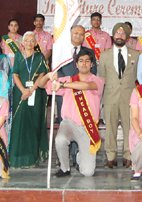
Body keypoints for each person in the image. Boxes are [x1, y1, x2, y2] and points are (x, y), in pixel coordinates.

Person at [39, 49, 105, 177]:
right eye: (81, 61)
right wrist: (48, 76)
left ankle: (81, 157)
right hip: (69, 124)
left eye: (87, 61)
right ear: (76, 64)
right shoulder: (68, 79)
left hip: (88, 127)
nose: (84, 63)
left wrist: (62, 85)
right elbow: (41, 85)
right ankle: (64, 168)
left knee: (88, 173)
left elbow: (86, 86)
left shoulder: (98, 80)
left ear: (92, 64)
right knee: (60, 140)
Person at [98, 23, 140, 168]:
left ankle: (129, 155)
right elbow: (101, 77)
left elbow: (137, 76)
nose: (120, 36)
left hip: (129, 96)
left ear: (127, 37)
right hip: (110, 96)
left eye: (123, 34)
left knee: (130, 127)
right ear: (113, 35)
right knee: (110, 127)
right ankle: (111, 156)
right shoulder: (104, 55)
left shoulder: (135, 55)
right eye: (117, 33)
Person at [9, 32, 49, 168]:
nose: (30, 43)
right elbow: (15, 74)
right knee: (19, 123)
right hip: (20, 93)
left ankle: (32, 159)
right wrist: (23, 90)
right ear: (23, 42)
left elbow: (42, 75)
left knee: (33, 124)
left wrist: (31, 91)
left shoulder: (39, 56)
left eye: (32, 40)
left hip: (35, 93)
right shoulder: (18, 56)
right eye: (27, 40)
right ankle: (16, 158)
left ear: (36, 43)